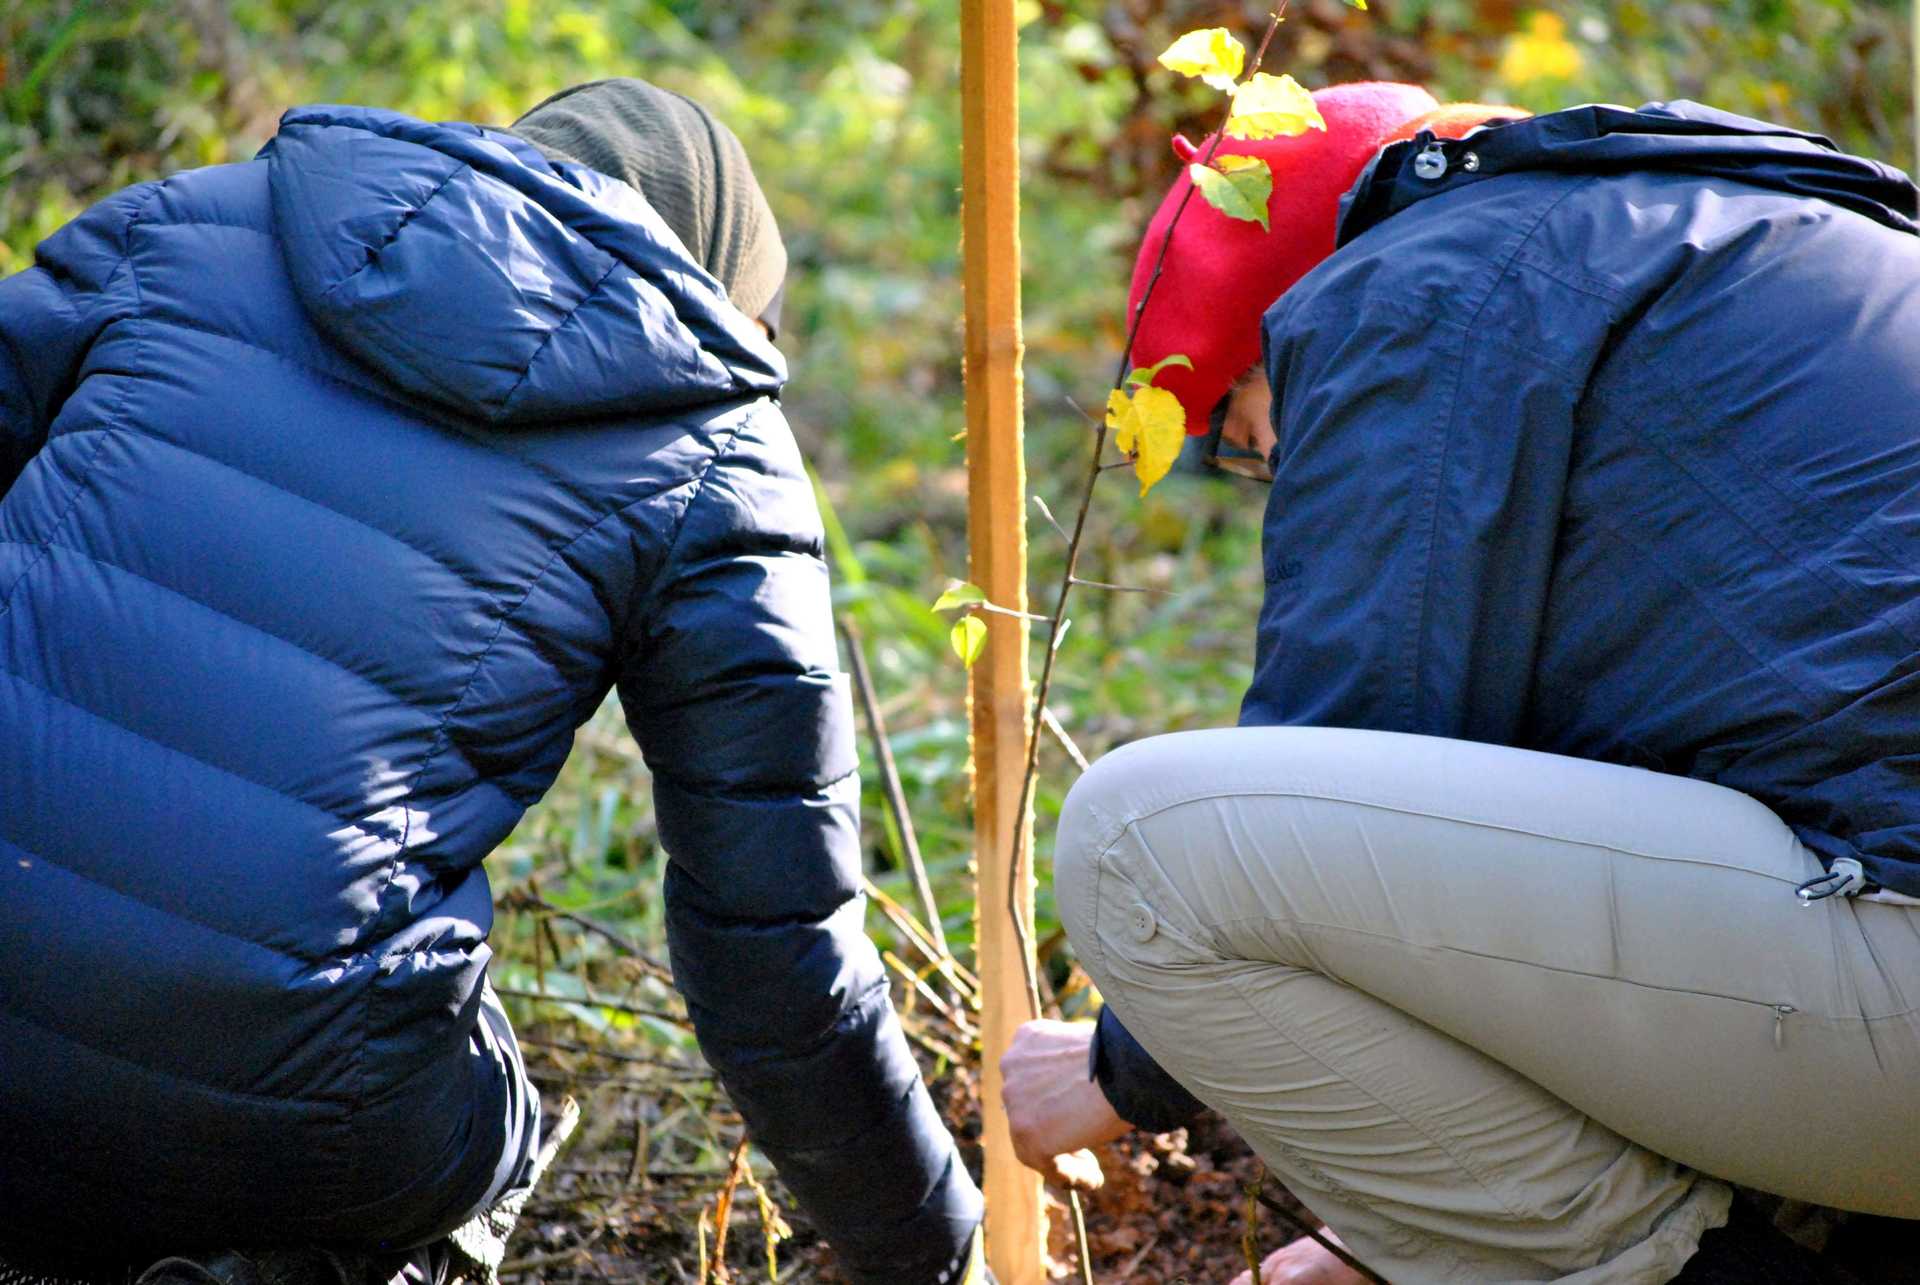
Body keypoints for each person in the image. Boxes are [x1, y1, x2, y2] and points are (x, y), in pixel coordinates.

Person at [0, 79, 983, 1285]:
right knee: (479, 1109)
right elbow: (775, 960)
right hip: (299, 1098)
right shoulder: (713, 448)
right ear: (730, 296)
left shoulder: (190, 224)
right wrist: (938, 1251)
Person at [1002, 81, 1920, 1284]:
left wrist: (1112, 1074)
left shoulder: (1425, 287)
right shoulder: (1748, 231)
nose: (1275, 458)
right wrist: (1416, 1230)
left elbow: (1349, 766)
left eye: (1246, 422)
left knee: (1146, 846)